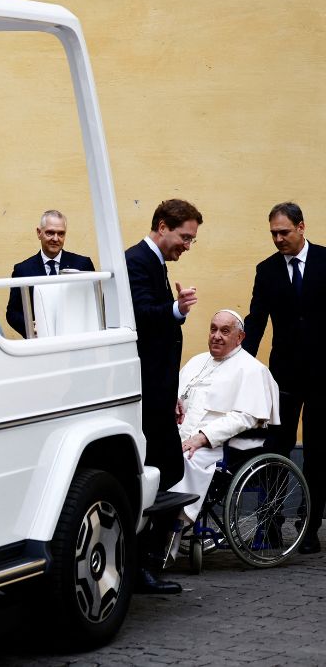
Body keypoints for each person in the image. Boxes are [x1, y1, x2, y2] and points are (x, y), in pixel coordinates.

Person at [125, 198, 202, 593]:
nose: (186, 246)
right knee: (161, 472)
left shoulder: (152, 262)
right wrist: (175, 309)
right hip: (146, 395)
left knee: (164, 472)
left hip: (157, 392)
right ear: (162, 226)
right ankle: (140, 565)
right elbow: (140, 315)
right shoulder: (136, 261)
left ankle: (143, 562)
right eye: (184, 237)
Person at [242, 201, 326, 554]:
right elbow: (257, 321)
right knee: (277, 445)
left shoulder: (325, 261)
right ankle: (270, 522)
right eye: (273, 233)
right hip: (284, 375)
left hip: (324, 373)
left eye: (284, 232)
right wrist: (241, 368)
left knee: (320, 451)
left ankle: (309, 525)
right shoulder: (268, 270)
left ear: (302, 227)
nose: (278, 239)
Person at [168, 310, 279, 543]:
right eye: (213, 329)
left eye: (225, 331)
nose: (216, 336)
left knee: (185, 460)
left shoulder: (251, 369)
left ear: (239, 338)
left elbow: (246, 417)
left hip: (220, 447)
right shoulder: (197, 362)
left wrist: (203, 437)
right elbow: (176, 396)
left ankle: (169, 533)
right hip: (181, 436)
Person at [5, 210, 95, 337]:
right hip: (40, 344)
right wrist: (30, 328)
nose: (56, 238)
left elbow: (93, 306)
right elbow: (13, 312)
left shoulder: (82, 265)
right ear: (39, 233)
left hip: (76, 341)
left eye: (61, 234)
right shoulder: (22, 270)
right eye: (50, 233)